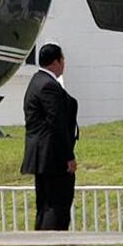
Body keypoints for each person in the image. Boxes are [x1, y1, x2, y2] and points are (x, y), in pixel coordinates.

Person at [20, 43, 79, 230]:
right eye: (62, 60)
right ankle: (52, 238)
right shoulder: (48, 86)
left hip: (42, 155)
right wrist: (68, 156)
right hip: (52, 156)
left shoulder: (36, 81)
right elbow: (57, 124)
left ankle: (40, 237)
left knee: (45, 204)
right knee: (57, 205)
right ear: (56, 62)